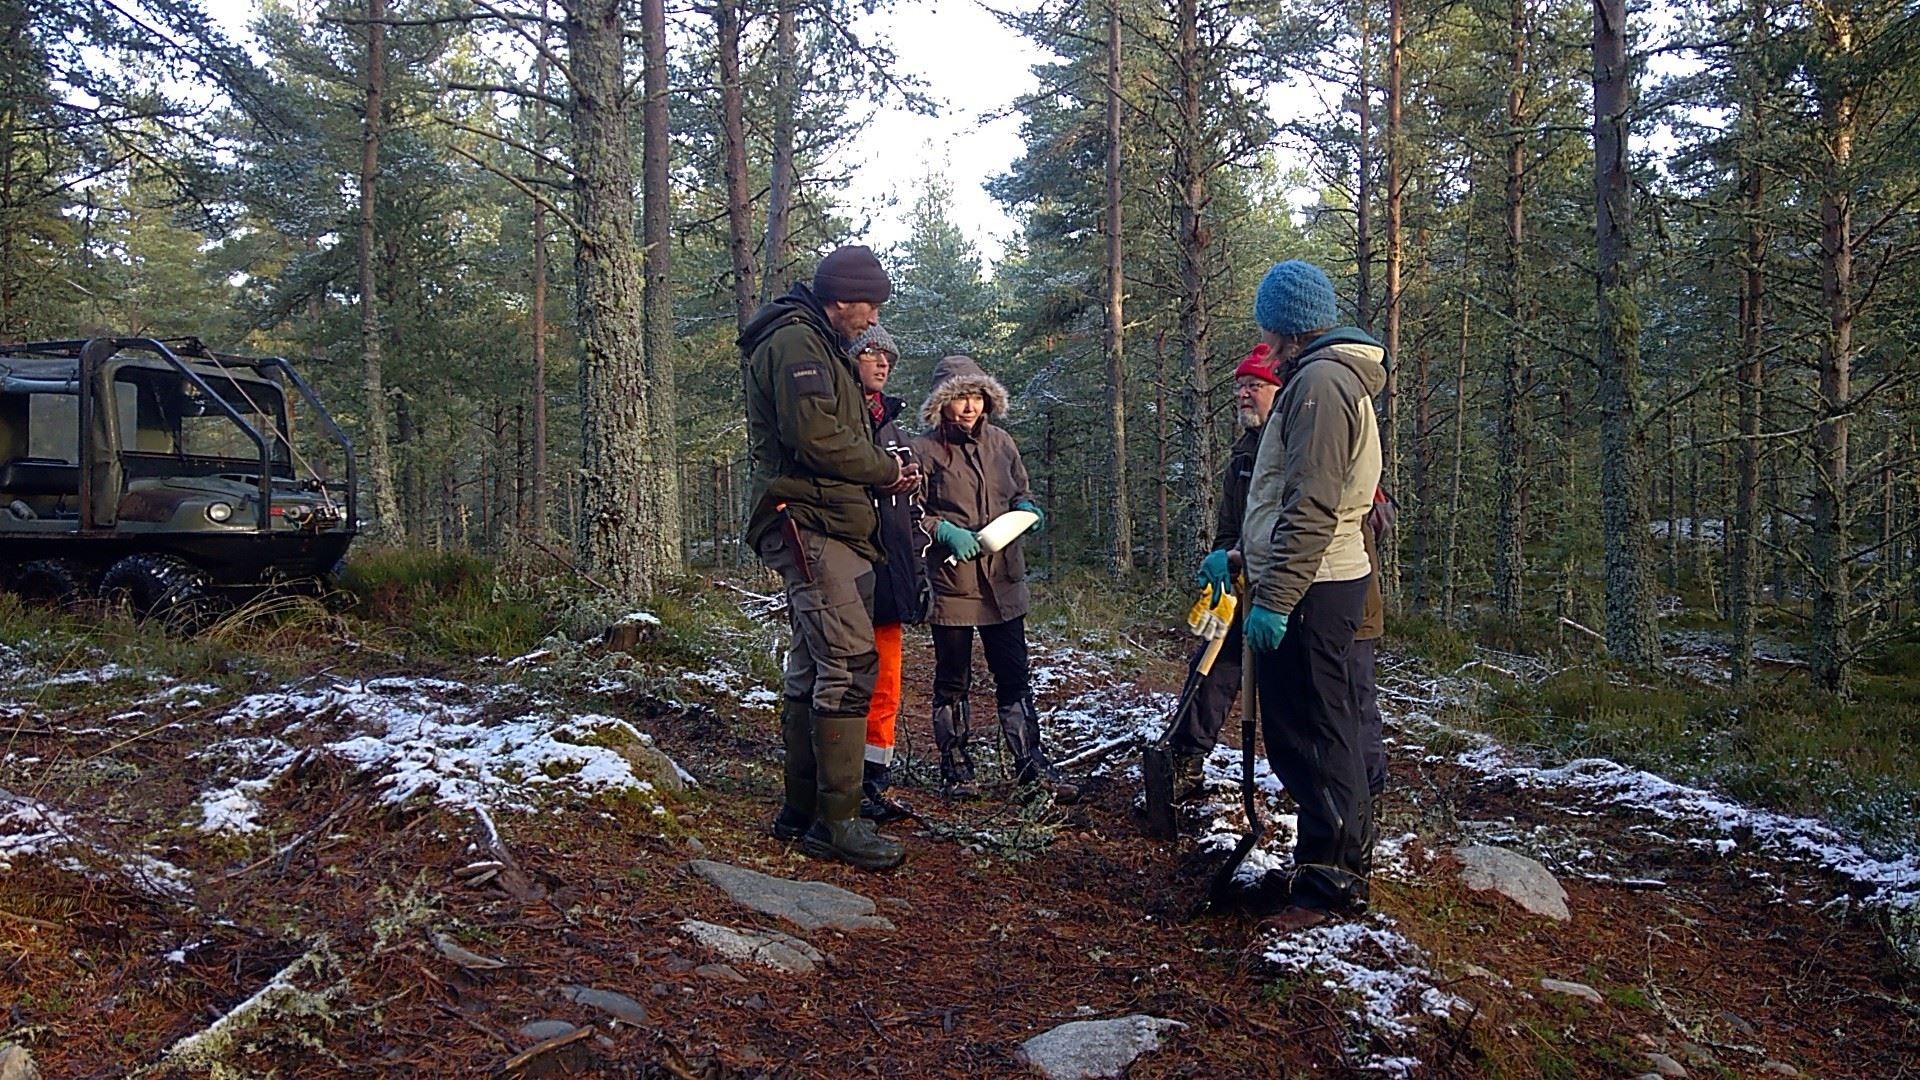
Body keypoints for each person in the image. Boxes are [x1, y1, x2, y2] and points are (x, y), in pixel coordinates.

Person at [740, 244, 919, 871]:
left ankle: (802, 810)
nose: (871, 320)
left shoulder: (816, 342)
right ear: (843, 297)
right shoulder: (797, 344)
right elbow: (814, 438)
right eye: (868, 306)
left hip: (828, 520)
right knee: (847, 662)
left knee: (815, 665)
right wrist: (884, 470)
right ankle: (837, 824)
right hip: (810, 520)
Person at [1239, 259, 1387, 932]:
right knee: (1309, 732)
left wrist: (1276, 597)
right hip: (1312, 577)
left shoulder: (1321, 385)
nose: (1263, 339)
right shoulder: (1321, 378)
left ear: (1287, 324)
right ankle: (1323, 863)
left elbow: (1313, 504)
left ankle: (1332, 882)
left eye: (1268, 325)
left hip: (1316, 584)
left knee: (1318, 735)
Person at [911, 354, 1078, 803]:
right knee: (953, 680)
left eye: (976, 397)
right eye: (959, 398)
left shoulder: (1002, 443)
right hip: (953, 584)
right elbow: (911, 514)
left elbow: (1020, 491)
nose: (969, 407)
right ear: (941, 403)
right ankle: (956, 767)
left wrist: (1027, 511)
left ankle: (1031, 765)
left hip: (1004, 580)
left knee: (1014, 676)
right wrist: (941, 530)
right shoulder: (922, 450)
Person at [1172, 343, 1286, 798]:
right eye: (1239, 386)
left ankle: (1303, 782)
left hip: (1288, 586)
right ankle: (1183, 758)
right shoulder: (1243, 452)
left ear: (1279, 390)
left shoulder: (1293, 444)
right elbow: (1229, 524)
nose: (1243, 395)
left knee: (1288, 688)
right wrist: (1222, 560)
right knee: (1212, 663)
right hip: (1244, 582)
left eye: (1254, 385)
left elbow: (1295, 521)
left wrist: (1239, 554)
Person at [847, 322, 928, 823]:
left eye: (888, 359)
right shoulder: (838, 423)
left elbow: (912, 510)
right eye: (871, 354)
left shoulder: (896, 431)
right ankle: (838, 782)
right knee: (844, 680)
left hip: (890, 577)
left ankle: (874, 782)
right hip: (848, 574)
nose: (882, 364)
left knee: (888, 684)